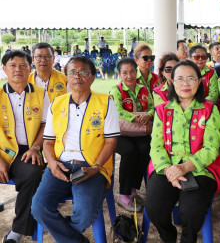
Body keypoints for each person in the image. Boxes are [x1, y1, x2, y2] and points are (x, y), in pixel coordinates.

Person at [31, 56, 120, 243]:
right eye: (72, 72)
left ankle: (65, 236)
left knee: (86, 213)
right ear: (66, 77)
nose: (77, 76)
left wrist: (96, 167)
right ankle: (75, 240)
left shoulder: (106, 102)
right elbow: (47, 142)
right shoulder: (57, 103)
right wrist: (53, 164)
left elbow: (111, 142)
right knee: (39, 207)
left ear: (93, 77)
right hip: (60, 164)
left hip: (90, 166)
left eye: (84, 72)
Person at [145, 60, 220, 243]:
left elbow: (212, 148)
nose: (185, 83)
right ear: (171, 81)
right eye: (179, 78)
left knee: (191, 211)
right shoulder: (162, 110)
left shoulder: (210, 110)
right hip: (167, 167)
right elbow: (156, 146)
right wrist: (169, 169)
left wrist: (184, 168)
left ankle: (188, 239)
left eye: (191, 78)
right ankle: (169, 237)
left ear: (199, 82)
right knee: (154, 208)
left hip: (200, 168)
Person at [0, 50, 49, 243]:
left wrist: (36, 148)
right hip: (2, 151)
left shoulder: (40, 93)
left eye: (23, 65)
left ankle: (18, 230)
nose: (17, 70)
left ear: (30, 68)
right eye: (12, 65)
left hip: (28, 150)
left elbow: (46, 124)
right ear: (4, 69)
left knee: (34, 173)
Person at [110, 58, 154, 212]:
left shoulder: (143, 89)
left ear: (137, 72)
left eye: (132, 71)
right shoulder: (116, 90)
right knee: (129, 152)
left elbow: (152, 106)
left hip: (140, 130)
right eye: (124, 73)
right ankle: (123, 194)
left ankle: (133, 189)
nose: (129, 76)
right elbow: (118, 110)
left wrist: (148, 116)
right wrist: (136, 117)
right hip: (121, 132)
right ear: (119, 74)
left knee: (145, 150)